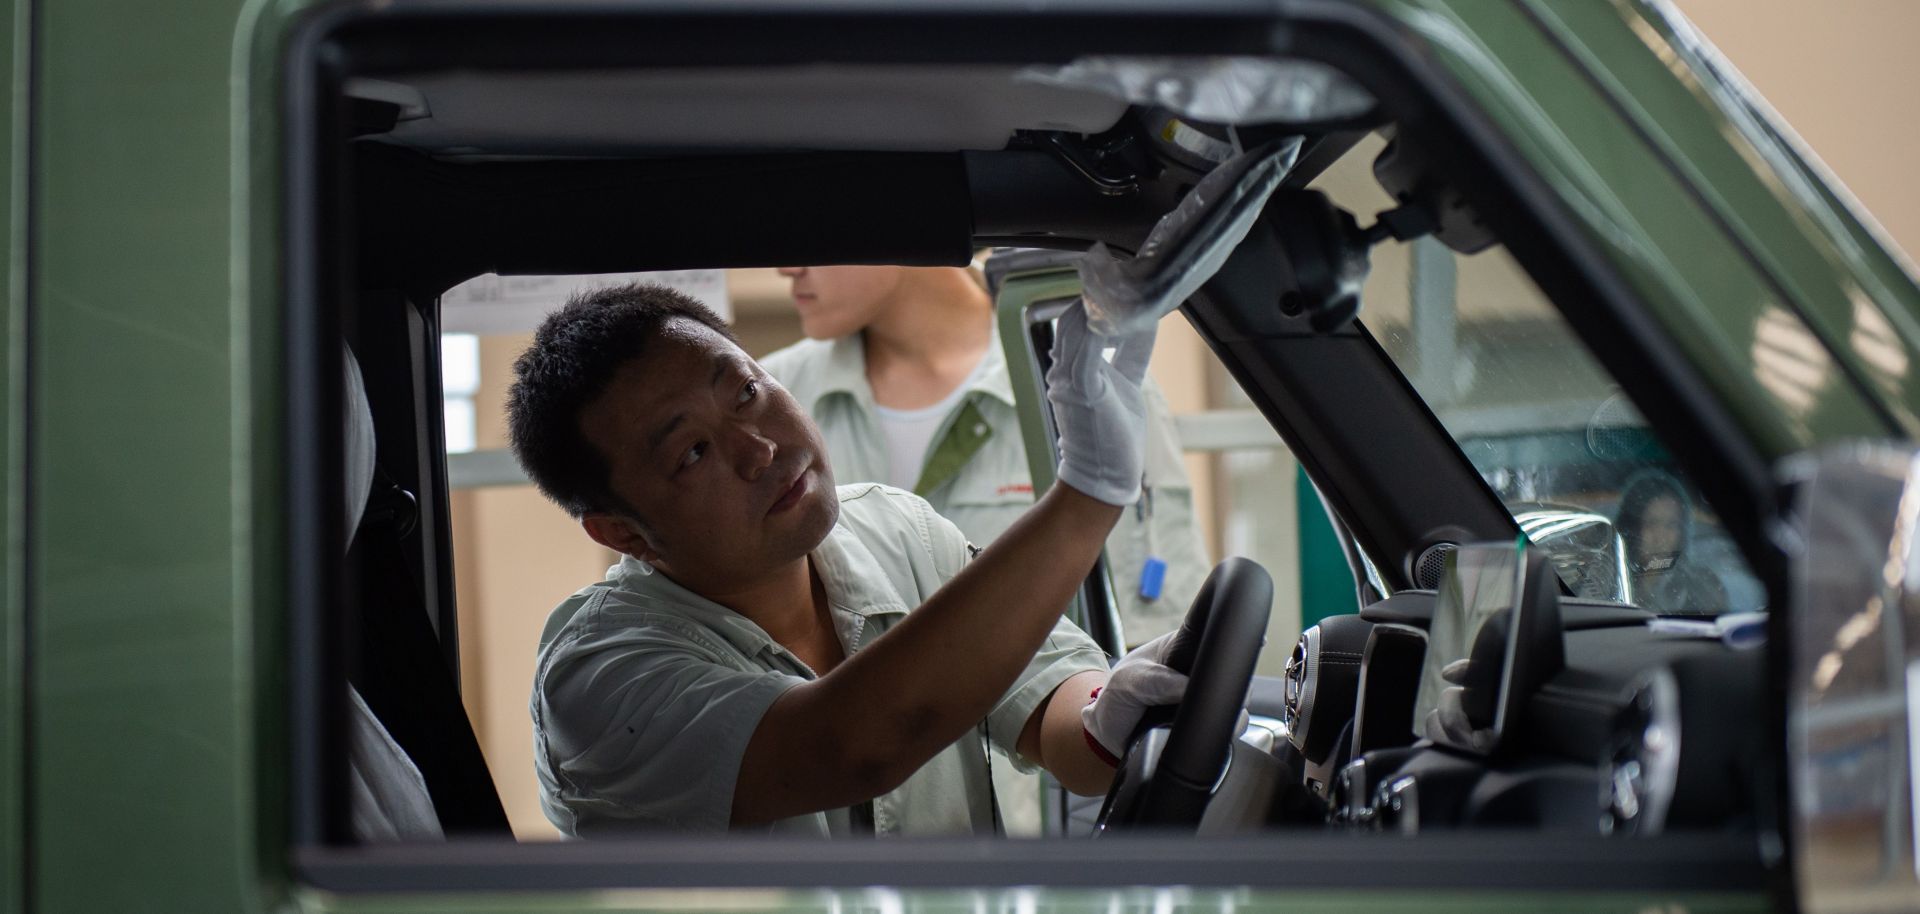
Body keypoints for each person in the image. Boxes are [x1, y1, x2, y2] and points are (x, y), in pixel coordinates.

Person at [512, 281, 1188, 836]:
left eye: (746, 392)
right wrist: (1087, 496)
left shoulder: (900, 531)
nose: (758, 449)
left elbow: (1060, 723)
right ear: (621, 534)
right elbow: (854, 745)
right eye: (692, 454)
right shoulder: (596, 674)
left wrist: (1115, 712)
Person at [761, 262, 1211, 645]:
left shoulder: (1090, 383)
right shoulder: (771, 400)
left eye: (817, 224)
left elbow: (1152, 634)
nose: (785, 267)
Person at [1615, 472, 1727, 614]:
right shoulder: (1607, 580)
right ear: (1631, 528)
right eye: (1651, 523)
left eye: (1671, 525)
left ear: (1682, 532)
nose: (1661, 537)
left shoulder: (1702, 587)